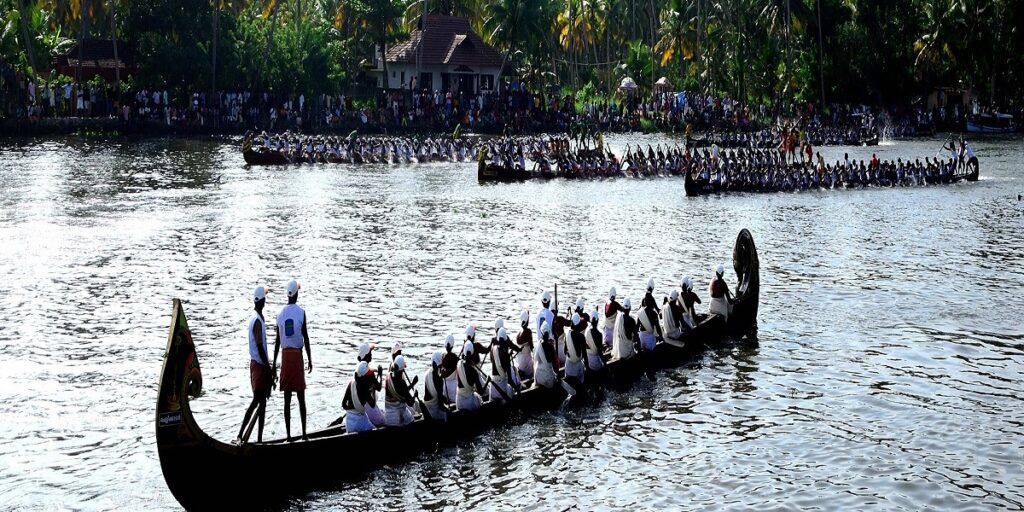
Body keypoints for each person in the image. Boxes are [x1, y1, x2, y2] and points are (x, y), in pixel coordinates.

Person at [271, 279, 312, 442]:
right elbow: (306, 337)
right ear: (297, 294)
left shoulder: (279, 314)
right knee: (301, 396)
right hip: (296, 356)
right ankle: (303, 435)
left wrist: (274, 363)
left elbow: (277, 342)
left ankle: (288, 437)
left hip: (285, 356)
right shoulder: (301, 312)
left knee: (287, 399)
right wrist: (310, 358)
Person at [236, 285, 273, 444]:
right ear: (263, 301)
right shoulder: (257, 320)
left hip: (259, 365)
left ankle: (259, 439)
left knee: (262, 403)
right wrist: (269, 368)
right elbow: (259, 346)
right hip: (259, 366)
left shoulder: (257, 318)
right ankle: (240, 435)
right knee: (256, 401)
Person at [342, 361, 384, 433]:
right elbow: (373, 405)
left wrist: (353, 412)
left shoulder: (351, 383)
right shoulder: (364, 389)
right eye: (369, 374)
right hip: (359, 421)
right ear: (364, 377)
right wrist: (379, 377)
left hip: (349, 421)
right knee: (379, 427)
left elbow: (344, 404)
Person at [384, 355, 417, 426]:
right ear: (402, 369)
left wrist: (413, 384)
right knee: (410, 419)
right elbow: (410, 402)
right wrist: (415, 394)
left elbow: (403, 392)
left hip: (388, 415)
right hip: (398, 416)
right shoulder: (401, 383)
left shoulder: (388, 377)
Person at [488, 327, 520, 402]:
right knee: (512, 389)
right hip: (502, 391)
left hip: (492, 390)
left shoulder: (493, 349)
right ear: (506, 341)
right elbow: (510, 380)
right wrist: (518, 390)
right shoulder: (506, 356)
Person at [456, 342, 486, 411]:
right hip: (469, 404)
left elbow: (463, 359)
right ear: (472, 353)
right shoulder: (474, 371)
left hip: (459, 401)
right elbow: (481, 392)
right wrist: (487, 381)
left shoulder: (458, 364)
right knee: (479, 398)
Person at [421, 351, 449, 421]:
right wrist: (449, 411)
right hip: (435, 412)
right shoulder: (439, 380)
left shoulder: (427, 373)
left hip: (427, 407)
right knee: (447, 414)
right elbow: (441, 406)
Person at [563, 313, 587, 388]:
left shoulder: (567, 335)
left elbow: (565, 351)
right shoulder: (581, 337)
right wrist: (588, 368)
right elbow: (585, 355)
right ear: (579, 324)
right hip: (578, 367)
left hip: (569, 366)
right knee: (581, 385)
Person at [533, 321, 558, 389]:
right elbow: (555, 366)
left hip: (538, 376)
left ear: (541, 332)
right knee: (553, 377)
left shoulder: (537, 345)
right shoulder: (550, 347)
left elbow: (535, 360)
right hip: (547, 379)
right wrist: (557, 376)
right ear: (549, 332)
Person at [440, 334, 459, 404]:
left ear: (445, 346)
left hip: (444, 388)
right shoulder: (455, 357)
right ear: (452, 346)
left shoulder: (442, 357)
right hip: (454, 387)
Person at [515, 310, 534, 380]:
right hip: (526, 363)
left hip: (519, 362)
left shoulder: (518, 332)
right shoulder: (528, 332)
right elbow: (532, 348)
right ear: (527, 320)